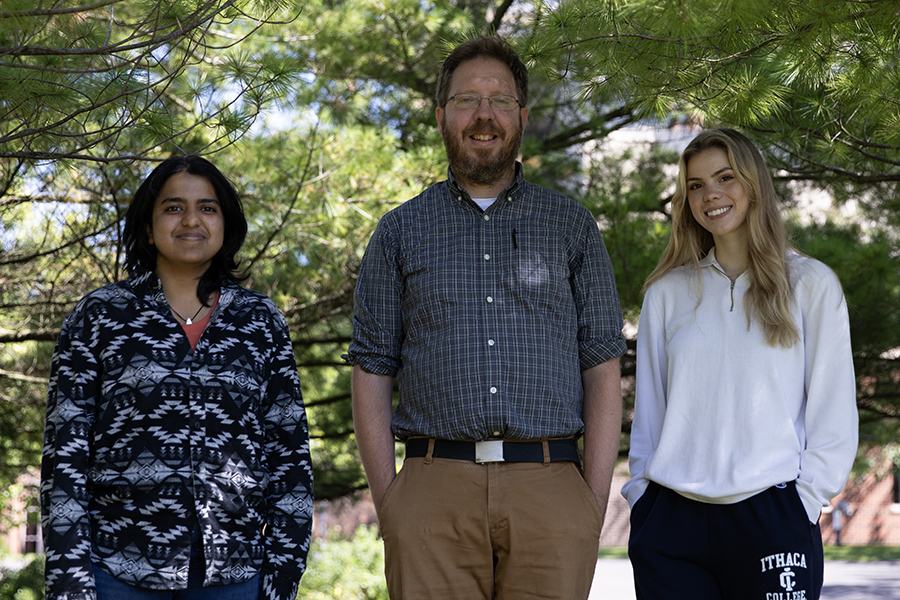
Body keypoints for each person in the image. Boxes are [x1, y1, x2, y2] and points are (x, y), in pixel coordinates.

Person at [345, 36, 627, 600]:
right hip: (431, 491)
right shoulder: (399, 231)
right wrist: (391, 502)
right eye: (466, 99)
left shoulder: (570, 227)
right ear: (442, 115)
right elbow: (371, 368)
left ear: (521, 117)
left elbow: (602, 366)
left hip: (551, 490)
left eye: (499, 101)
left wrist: (590, 504)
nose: (483, 114)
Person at [41, 156, 313, 600]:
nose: (191, 220)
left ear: (226, 224)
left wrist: (282, 575)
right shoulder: (100, 316)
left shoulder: (261, 322)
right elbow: (64, 456)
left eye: (207, 208)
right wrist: (69, 578)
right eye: (173, 208)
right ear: (148, 227)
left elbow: (290, 455)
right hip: (114, 569)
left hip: (236, 574)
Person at [623, 128, 859, 600]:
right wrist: (642, 497)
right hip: (672, 523)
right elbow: (650, 413)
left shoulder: (811, 285)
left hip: (774, 518)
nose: (710, 195)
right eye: (695, 185)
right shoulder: (667, 293)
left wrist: (805, 502)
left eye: (725, 177)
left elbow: (833, 412)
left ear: (752, 185)